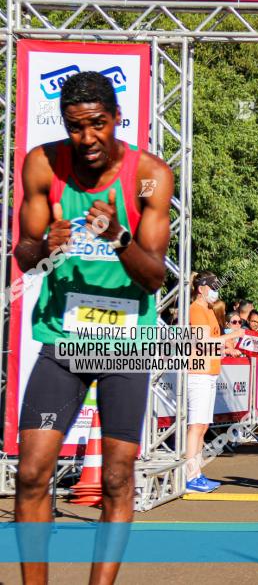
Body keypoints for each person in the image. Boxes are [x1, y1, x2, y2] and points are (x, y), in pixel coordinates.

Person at [13, 71, 173, 584]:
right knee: (33, 471)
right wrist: (45, 247)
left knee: (117, 476)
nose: (87, 139)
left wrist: (120, 237)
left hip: (125, 344)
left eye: (98, 126)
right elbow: (23, 256)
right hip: (63, 340)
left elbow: (152, 279)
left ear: (116, 119)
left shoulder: (150, 174)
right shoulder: (42, 164)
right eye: (75, 128)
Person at [185, 272, 243, 493]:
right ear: (201, 289)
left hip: (209, 371)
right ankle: (191, 476)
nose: (216, 290)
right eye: (213, 286)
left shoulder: (208, 310)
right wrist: (231, 336)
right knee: (196, 426)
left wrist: (228, 347)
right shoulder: (196, 309)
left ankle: (196, 473)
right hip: (198, 372)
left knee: (203, 425)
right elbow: (202, 341)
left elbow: (212, 342)